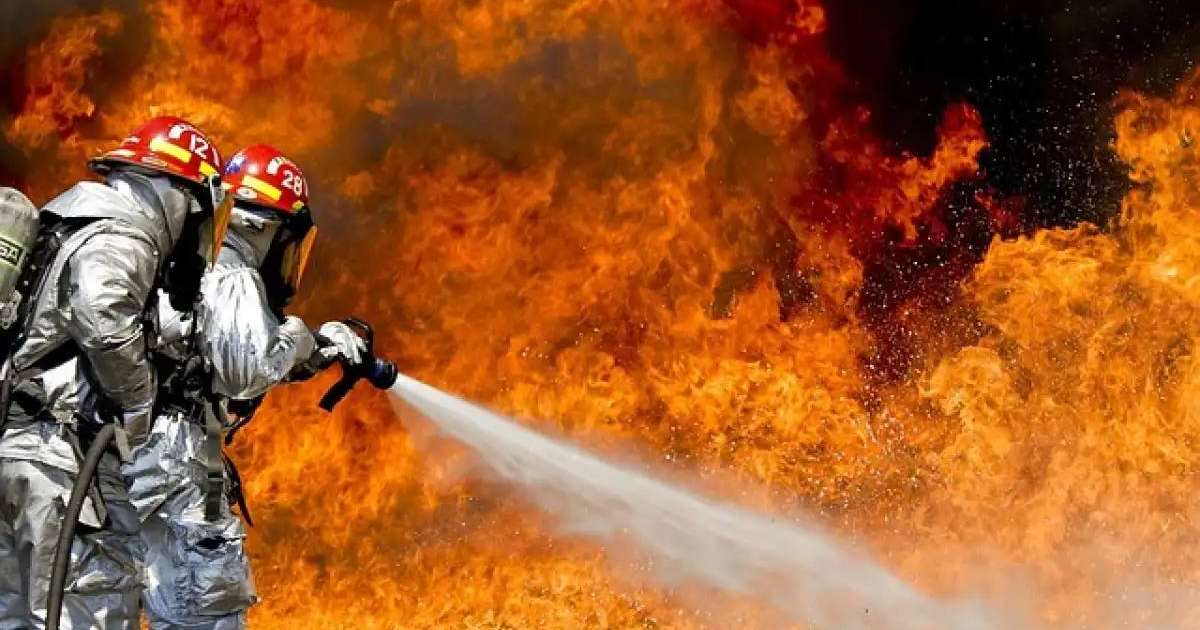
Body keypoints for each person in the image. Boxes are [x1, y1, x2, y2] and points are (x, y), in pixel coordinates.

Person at [0, 116, 234, 630]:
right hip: (56, 461)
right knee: (88, 611)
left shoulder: (66, 220)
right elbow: (104, 317)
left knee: (15, 617)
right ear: (176, 195)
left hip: (14, 448)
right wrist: (137, 408)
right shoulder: (124, 232)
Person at [125, 144, 367, 629]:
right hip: (176, 465)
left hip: (130, 458)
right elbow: (248, 367)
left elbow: (215, 353)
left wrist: (321, 348)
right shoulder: (233, 270)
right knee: (204, 610)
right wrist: (304, 337)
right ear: (274, 228)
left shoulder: (185, 260)